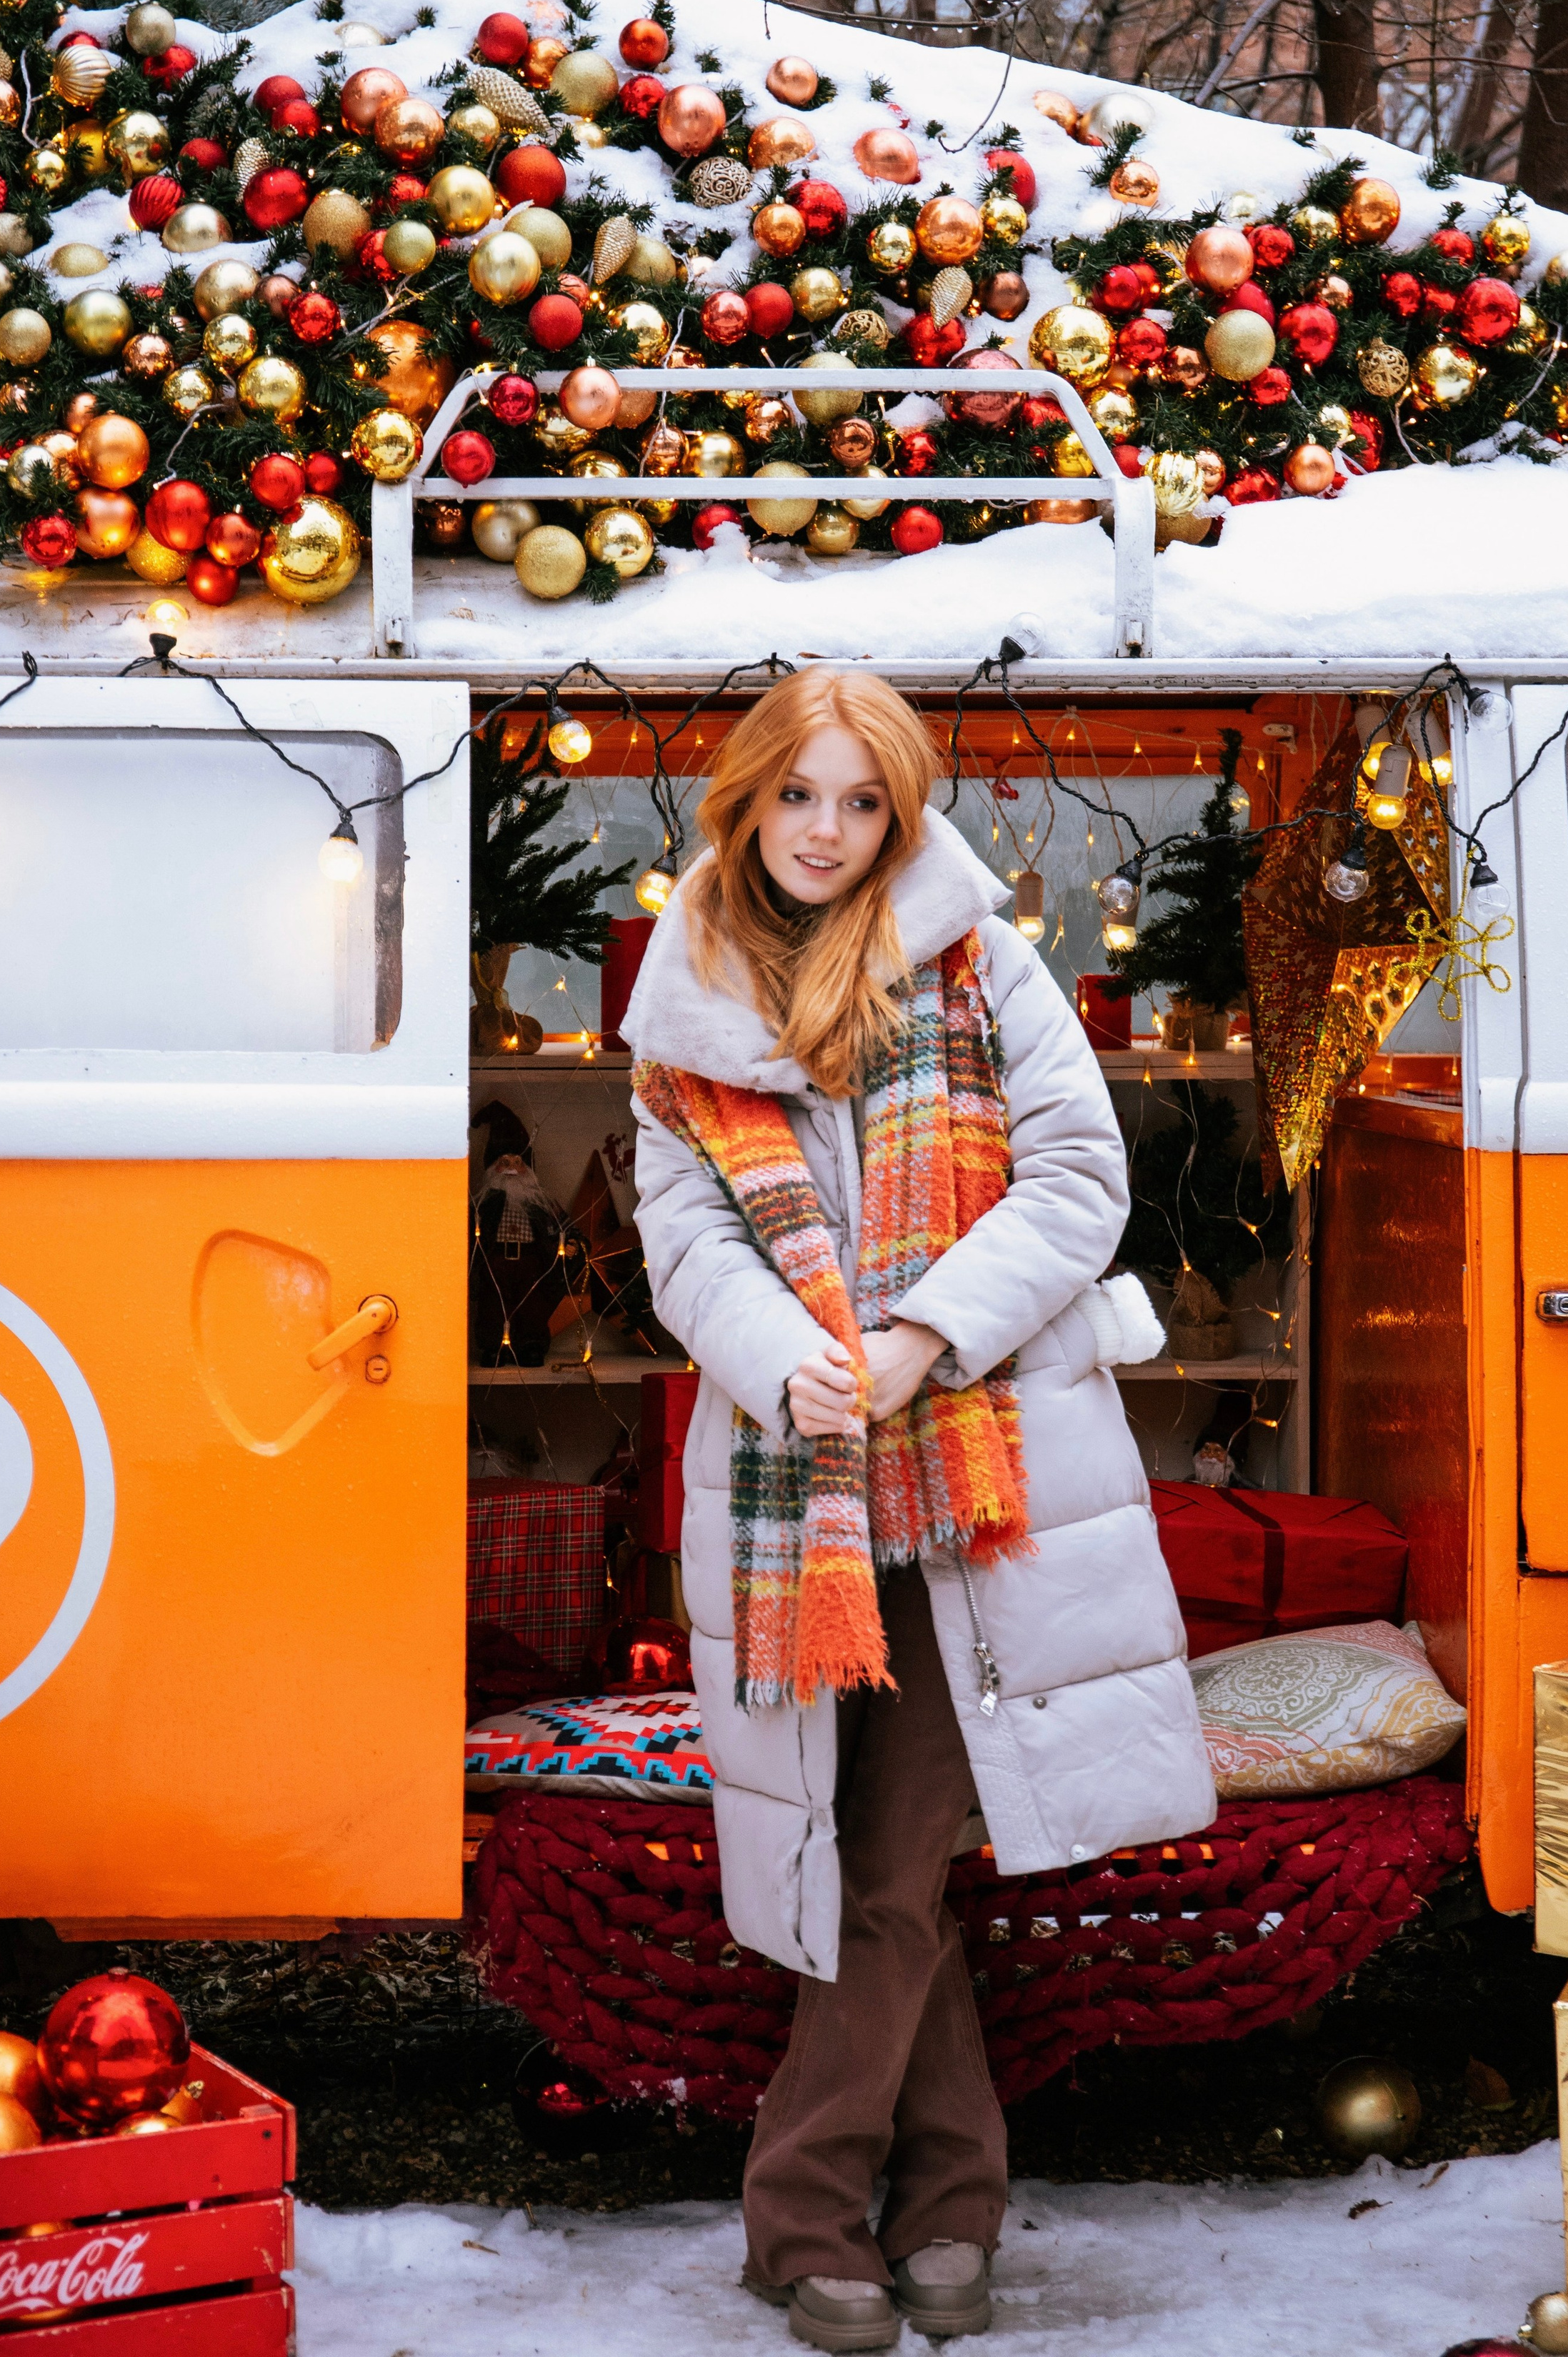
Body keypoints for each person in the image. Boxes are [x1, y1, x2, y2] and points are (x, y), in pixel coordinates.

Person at [624, 669, 1214, 2352]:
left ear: (900, 812)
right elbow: (685, 1240)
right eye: (797, 797)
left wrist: (913, 1341)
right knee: (878, 1853)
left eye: (859, 802)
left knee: (881, 1857)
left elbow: (1076, 1178)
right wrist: (783, 1355)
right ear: (741, 801)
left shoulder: (973, 957)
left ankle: (801, 2214)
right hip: (792, 1489)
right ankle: (952, 2204)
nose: (825, 832)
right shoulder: (683, 1006)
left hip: (979, 1482)